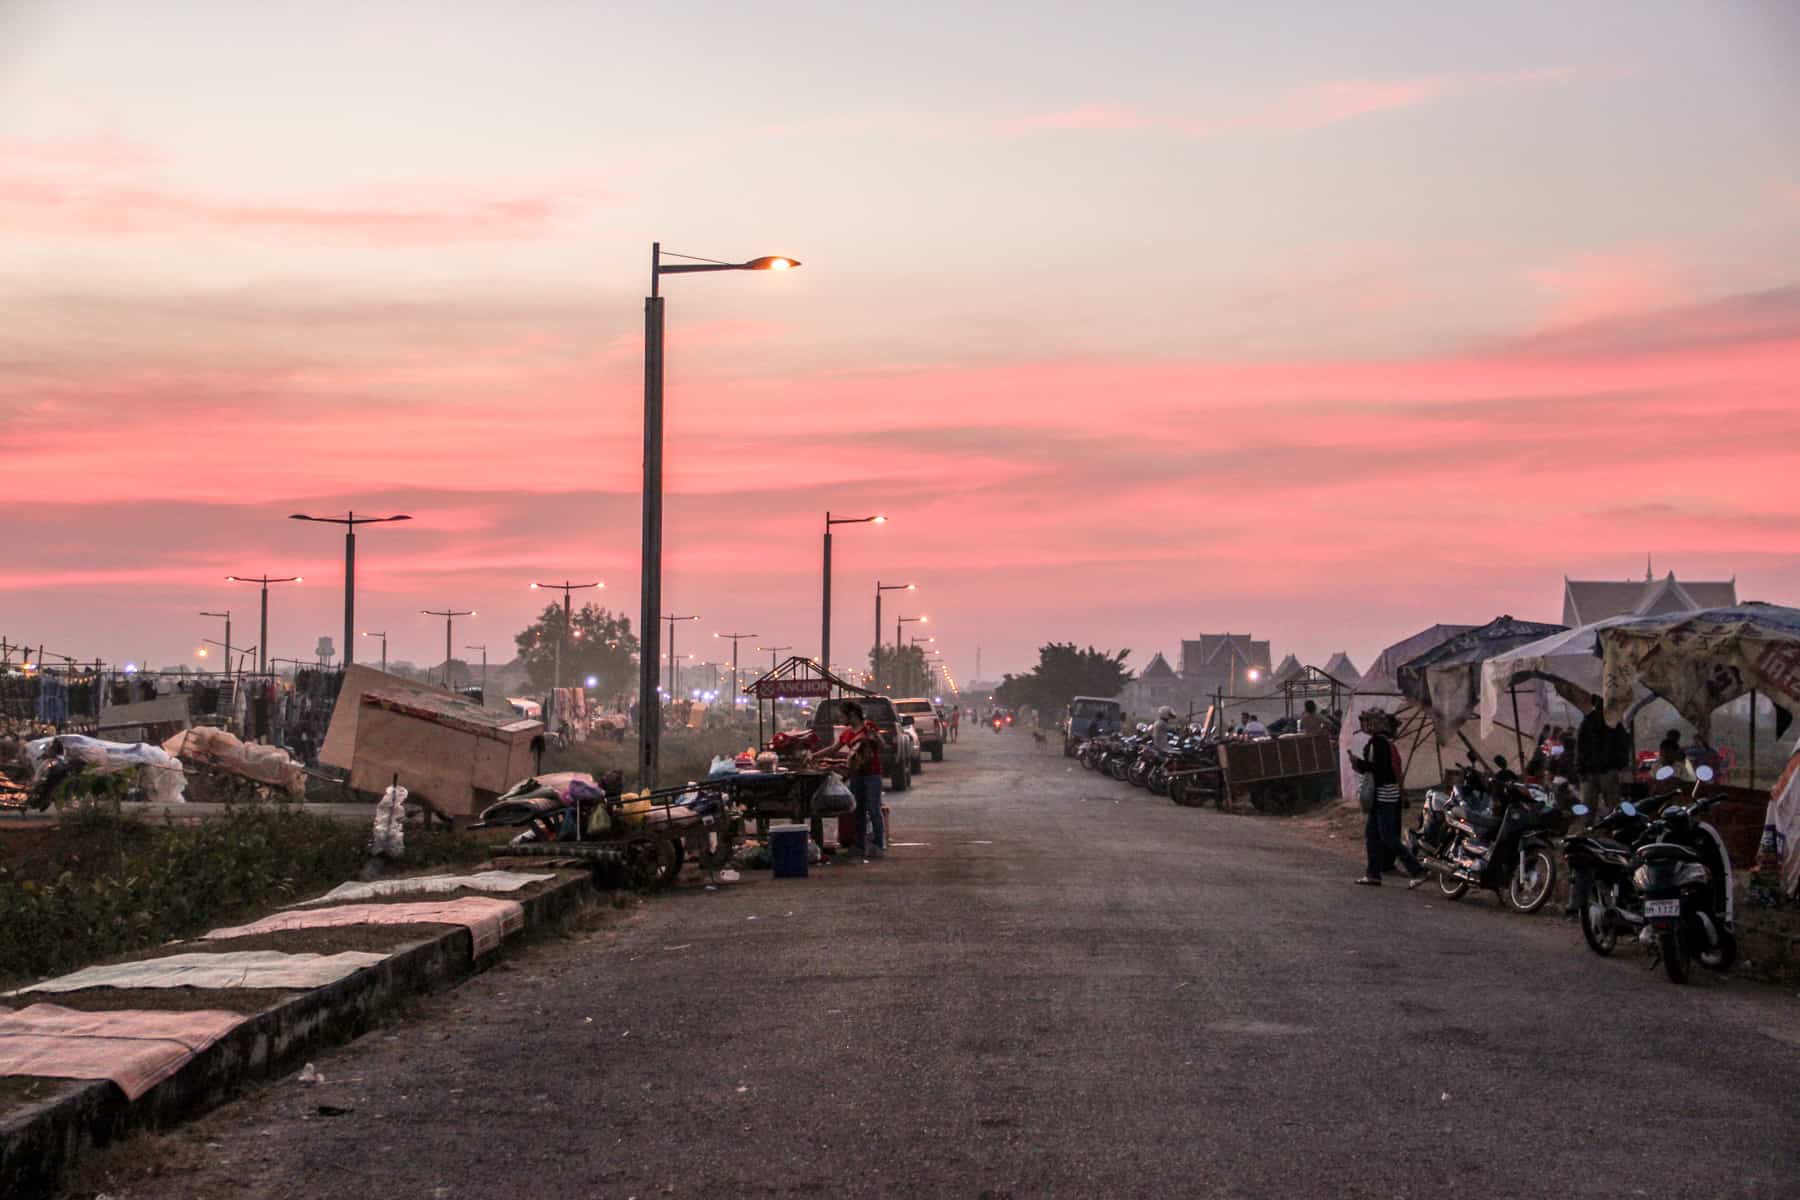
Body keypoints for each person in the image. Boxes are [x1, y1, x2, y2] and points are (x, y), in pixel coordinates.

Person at [1350, 710, 1427, 888]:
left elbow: (1380, 770)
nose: (1365, 726)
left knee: (1388, 837)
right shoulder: (1385, 742)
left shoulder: (1378, 742)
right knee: (1372, 835)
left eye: (1368, 722)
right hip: (1386, 793)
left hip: (1383, 794)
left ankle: (1417, 870)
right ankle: (1373, 874)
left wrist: (1358, 764)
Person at [834, 702, 885, 859]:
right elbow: (834, 748)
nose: (840, 718)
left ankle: (878, 845)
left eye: (843, 715)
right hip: (856, 775)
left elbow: (882, 745)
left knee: (874, 809)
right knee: (858, 811)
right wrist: (815, 756)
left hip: (872, 775)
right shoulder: (847, 734)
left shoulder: (869, 727)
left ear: (852, 715)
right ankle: (860, 846)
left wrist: (874, 736)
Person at [1576, 696, 1618, 817]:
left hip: (1605, 770)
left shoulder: (1612, 721)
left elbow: (1620, 744)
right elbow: (1580, 748)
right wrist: (1581, 770)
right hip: (1593, 771)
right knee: (1590, 808)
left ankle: (1612, 829)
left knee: (1611, 806)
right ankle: (1591, 829)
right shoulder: (1587, 722)